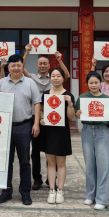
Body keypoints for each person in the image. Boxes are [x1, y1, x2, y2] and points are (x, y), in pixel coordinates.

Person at [0, 54, 42, 206]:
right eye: (13, 65)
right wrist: (2, 98)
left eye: (18, 65)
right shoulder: (1, 83)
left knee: (25, 161)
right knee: (6, 161)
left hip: (24, 126)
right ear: (8, 67)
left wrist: (36, 124)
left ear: (22, 66)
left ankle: (25, 192)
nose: (16, 68)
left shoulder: (30, 82)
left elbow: (37, 103)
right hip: (5, 126)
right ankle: (6, 191)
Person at [23, 44, 71, 191]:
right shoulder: (31, 78)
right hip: (37, 118)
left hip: (54, 120)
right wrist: (26, 53)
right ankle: (37, 178)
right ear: (37, 66)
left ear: (49, 65)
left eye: (45, 63)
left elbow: (67, 75)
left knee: (52, 150)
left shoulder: (55, 77)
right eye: (40, 63)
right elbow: (21, 68)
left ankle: (52, 179)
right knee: (36, 150)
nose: (43, 65)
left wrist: (60, 60)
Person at [75, 72, 109, 210]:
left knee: (103, 166)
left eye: (96, 82)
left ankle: (101, 199)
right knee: (90, 165)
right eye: (91, 83)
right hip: (87, 131)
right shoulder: (82, 97)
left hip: (102, 132)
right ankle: (90, 195)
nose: (93, 85)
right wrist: (78, 114)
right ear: (87, 84)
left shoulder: (106, 99)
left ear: (100, 83)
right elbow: (77, 114)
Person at [39, 68, 75, 204]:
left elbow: (70, 117)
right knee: (50, 162)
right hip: (48, 132)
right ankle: (51, 190)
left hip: (62, 132)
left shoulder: (68, 95)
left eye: (58, 76)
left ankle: (60, 190)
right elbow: (41, 111)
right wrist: (41, 119)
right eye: (53, 76)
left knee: (61, 163)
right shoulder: (46, 94)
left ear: (63, 78)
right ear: (50, 78)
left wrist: (70, 103)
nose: (55, 78)